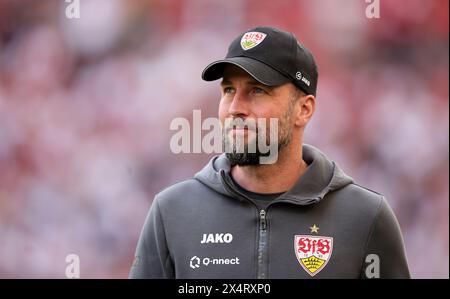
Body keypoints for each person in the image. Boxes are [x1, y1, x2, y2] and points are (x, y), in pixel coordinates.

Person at [129, 26, 410, 279]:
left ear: (304, 109)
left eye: (257, 91)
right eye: (228, 90)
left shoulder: (365, 217)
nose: (235, 107)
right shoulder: (171, 212)